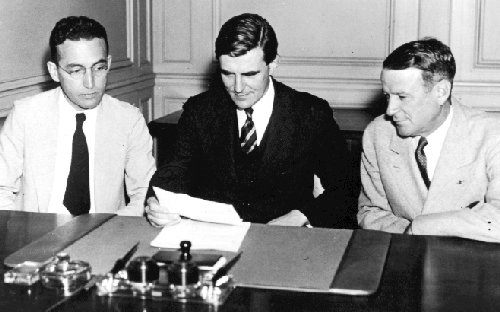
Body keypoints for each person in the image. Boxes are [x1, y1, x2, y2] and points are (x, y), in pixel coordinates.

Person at [146, 13, 354, 228]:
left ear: (273, 64)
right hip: (213, 237)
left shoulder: (310, 113)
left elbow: (345, 189)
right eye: (227, 74)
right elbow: (172, 174)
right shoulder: (199, 111)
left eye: (249, 74)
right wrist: (156, 203)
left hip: (284, 240)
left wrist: (302, 215)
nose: (237, 88)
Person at [0, 16, 155, 216]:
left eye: (99, 68)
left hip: (104, 235)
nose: (90, 83)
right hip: (38, 238)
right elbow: (1, 190)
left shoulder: (129, 119)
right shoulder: (25, 116)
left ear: (108, 63)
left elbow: (145, 191)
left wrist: (111, 230)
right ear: (54, 72)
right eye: (76, 70)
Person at [358, 38, 500, 242]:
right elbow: (370, 213)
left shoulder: (493, 135)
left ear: (441, 92)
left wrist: (420, 227)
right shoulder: (378, 133)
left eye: (402, 97)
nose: (390, 110)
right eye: (388, 96)